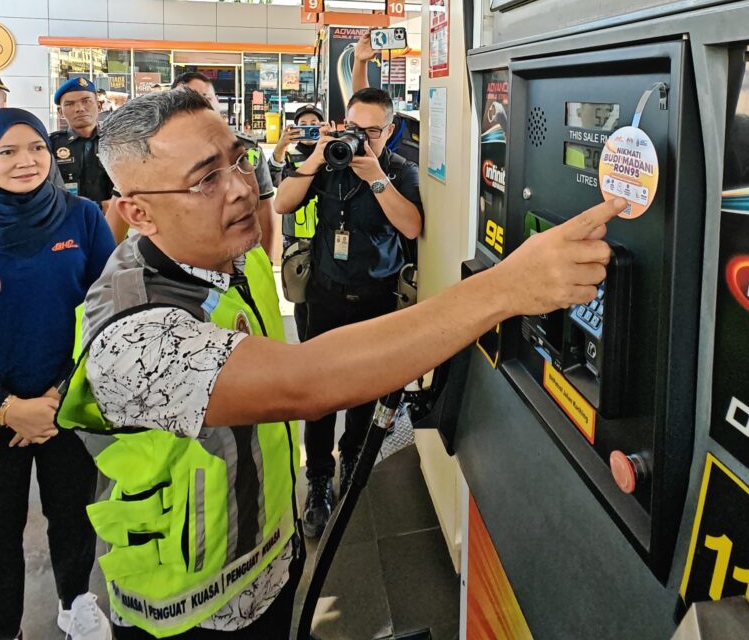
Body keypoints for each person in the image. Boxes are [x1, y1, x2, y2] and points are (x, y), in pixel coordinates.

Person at [56, 89, 622, 638]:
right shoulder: (134, 334)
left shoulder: (231, 258)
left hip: (272, 565)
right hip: (192, 614)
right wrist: (508, 286)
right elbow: (307, 382)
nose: (240, 187)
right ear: (138, 212)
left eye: (239, 159)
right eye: (206, 179)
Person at [0, 108, 115, 640]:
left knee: (74, 511)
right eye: (7, 152)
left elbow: (110, 311)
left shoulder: (81, 216)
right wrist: (4, 406)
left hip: (66, 402)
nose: (27, 161)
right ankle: (1, 626)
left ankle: (75, 598)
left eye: (36, 148)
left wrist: (60, 396)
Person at [275, 87, 424, 536]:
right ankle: (318, 478)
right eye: (354, 128)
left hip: (376, 299)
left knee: (364, 390)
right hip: (324, 294)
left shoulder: (400, 171)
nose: (360, 138)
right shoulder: (329, 165)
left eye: (372, 131)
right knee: (317, 394)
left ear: (391, 130)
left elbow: (412, 226)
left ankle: (353, 457)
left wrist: (377, 177)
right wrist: (317, 156)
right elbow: (282, 203)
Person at [171, 70, 277, 258]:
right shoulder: (160, 154)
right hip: (186, 259)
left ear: (217, 101)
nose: (198, 107)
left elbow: (263, 208)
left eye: (205, 98)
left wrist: (265, 258)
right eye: (186, 101)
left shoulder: (247, 148)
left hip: (242, 259)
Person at [268, 104, 323, 337]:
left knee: (324, 294)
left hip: (326, 234)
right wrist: (281, 147)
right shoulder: (290, 154)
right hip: (296, 239)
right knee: (300, 295)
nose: (310, 130)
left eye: (315, 125)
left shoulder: (332, 151)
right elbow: (274, 178)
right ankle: (305, 342)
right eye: (304, 125)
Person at [50, 77, 115, 208]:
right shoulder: (50, 145)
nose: (79, 108)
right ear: (60, 112)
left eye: (86, 101)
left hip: (111, 220)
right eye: (70, 104)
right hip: (66, 219)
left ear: (99, 105)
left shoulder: (117, 142)